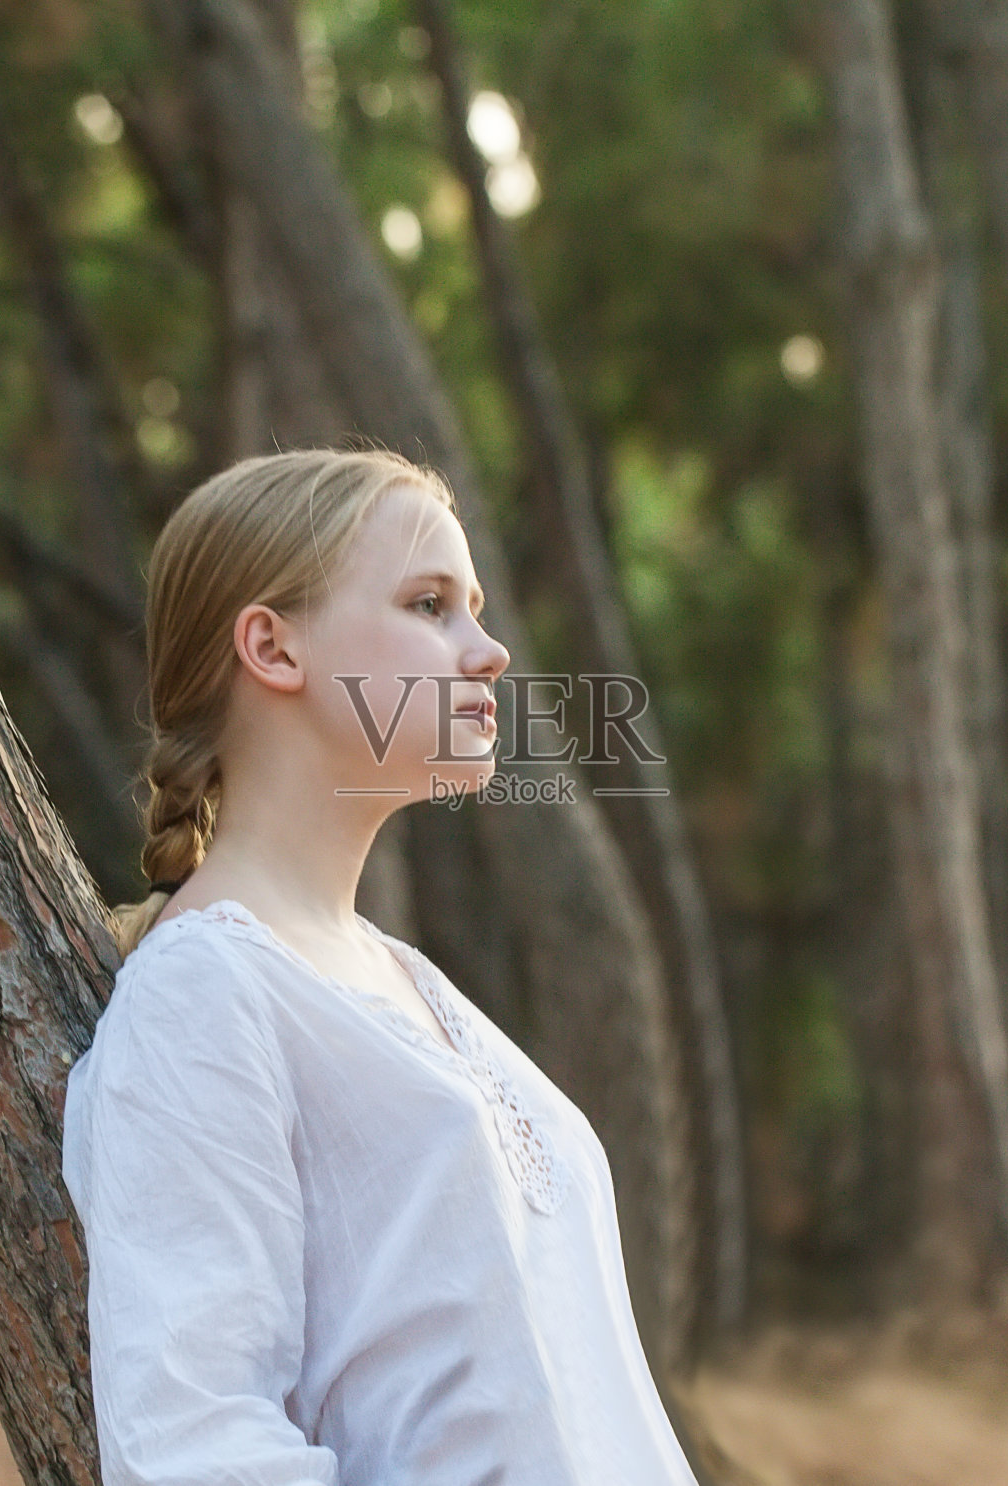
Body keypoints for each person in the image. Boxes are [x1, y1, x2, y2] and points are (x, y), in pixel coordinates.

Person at [61, 447, 700, 1485]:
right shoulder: (203, 996)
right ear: (273, 647)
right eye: (429, 604)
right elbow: (193, 1444)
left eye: (474, 609)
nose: (488, 652)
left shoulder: (403, 975)